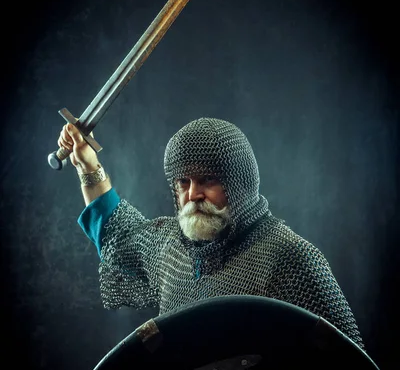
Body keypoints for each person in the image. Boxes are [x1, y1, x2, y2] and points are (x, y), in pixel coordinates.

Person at [58, 117, 365, 350]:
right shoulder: (171, 248)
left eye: (207, 180)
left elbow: (346, 368)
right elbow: (119, 234)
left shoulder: (288, 257)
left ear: (239, 183)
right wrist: (88, 166)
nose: (193, 194)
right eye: (183, 182)